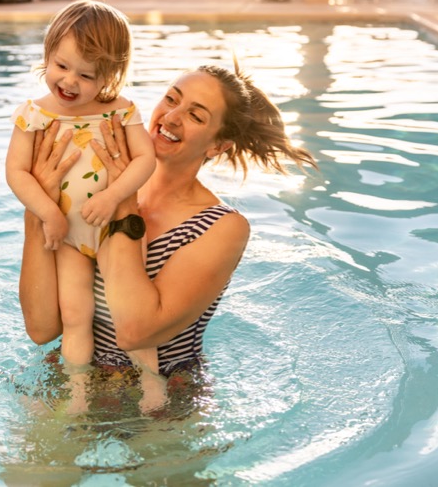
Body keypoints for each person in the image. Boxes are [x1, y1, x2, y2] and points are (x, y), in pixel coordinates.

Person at [19, 60, 317, 397]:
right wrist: (38, 207)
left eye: (196, 116)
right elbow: (41, 328)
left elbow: (135, 332)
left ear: (217, 146)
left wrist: (124, 201)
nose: (172, 117)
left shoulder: (222, 227)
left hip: (159, 406)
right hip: (70, 383)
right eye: (172, 99)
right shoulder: (95, 186)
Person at [6, 0, 158, 404]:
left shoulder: (121, 111)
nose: (69, 81)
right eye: (61, 65)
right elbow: (17, 172)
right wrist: (49, 214)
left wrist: (112, 196)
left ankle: (153, 388)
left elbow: (146, 159)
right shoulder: (34, 114)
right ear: (47, 53)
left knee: (131, 315)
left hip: (114, 227)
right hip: (68, 236)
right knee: (76, 317)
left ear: (110, 74)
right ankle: (76, 395)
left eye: (86, 75)